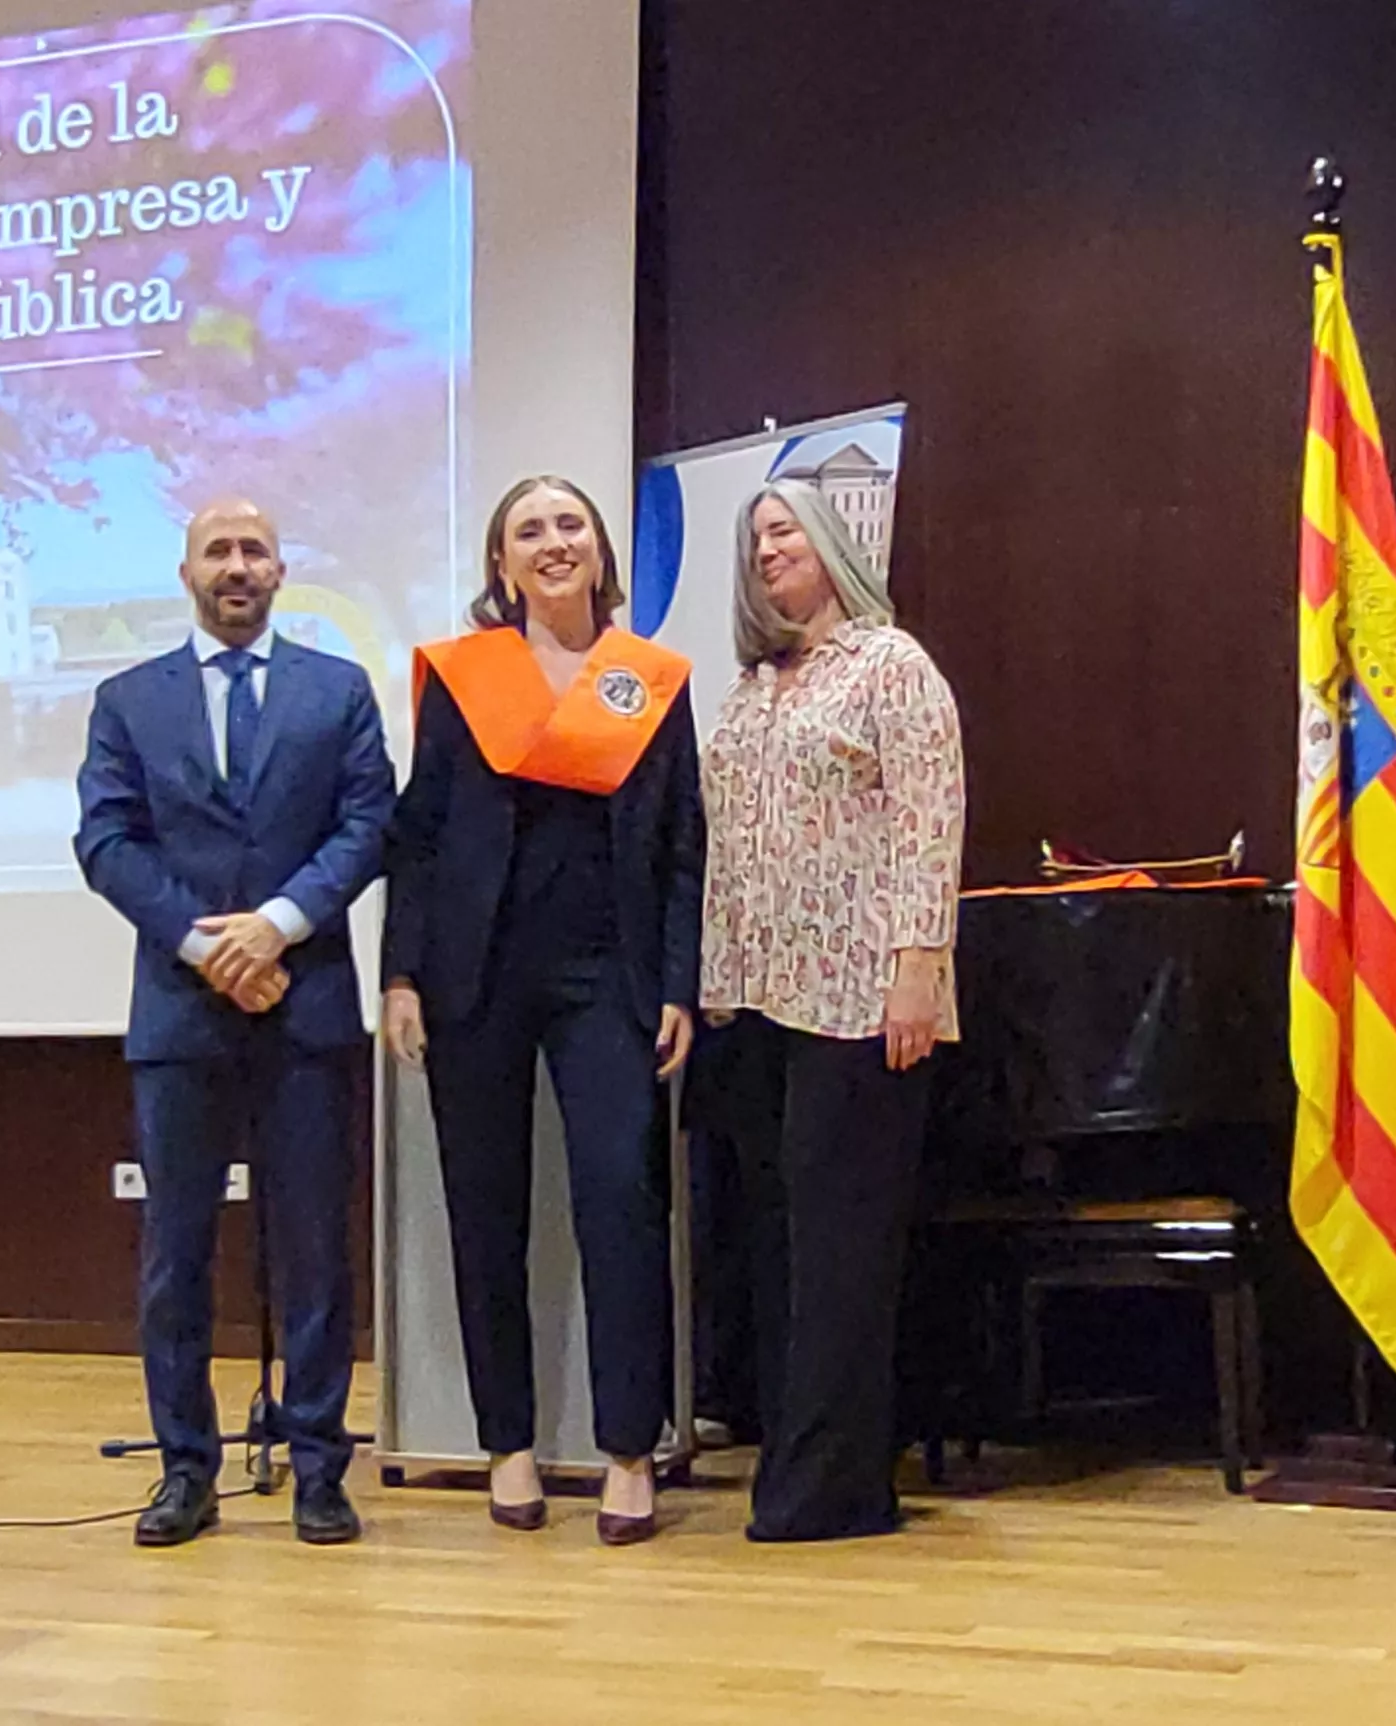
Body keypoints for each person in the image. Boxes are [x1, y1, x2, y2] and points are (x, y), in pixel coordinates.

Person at [383, 474, 703, 1545]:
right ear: (501, 565)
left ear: (600, 554)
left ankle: (625, 1450)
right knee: (485, 1210)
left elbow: (680, 848)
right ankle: (506, 1442)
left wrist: (674, 983)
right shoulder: (462, 678)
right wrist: (399, 974)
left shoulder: (647, 682)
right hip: (474, 978)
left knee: (619, 1200)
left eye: (570, 524)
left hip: (605, 983)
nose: (552, 541)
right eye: (529, 530)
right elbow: (417, 837)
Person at [75, 498, 396, 1548]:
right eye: (218, 550)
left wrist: (274, 925)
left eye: (253, 550)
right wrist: (204, 944)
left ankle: (317, 1465)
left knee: (314, 1247)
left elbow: (364, 824)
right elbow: (106, 840)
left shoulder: (335, 690)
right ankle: (183, 1468)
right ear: (185, 572)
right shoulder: (126, 700)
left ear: (280, 570)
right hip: (179, 1009)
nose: (237, 566)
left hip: (303, 1007)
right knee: (176, 1252)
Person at [699, 478, 964, 1542]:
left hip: (861, 997)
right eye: (753, 538)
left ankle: (836, 1486)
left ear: (831, 546)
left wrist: (917, 966)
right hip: (754, 1002)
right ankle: (789, 1463)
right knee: (775, 1248)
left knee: (842, 1250)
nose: (767, 551)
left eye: (785, 531)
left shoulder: (890, 664)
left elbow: (929, 820)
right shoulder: (749, 685)